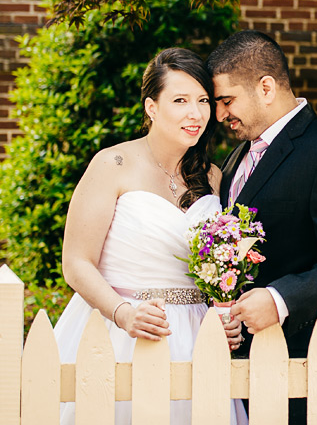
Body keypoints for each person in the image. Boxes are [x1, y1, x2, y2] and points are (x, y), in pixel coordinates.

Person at [53, 47, 247, 424]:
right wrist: (122, 313)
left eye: (203, 100)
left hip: (196, 338)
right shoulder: (113, 164)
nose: (196, 113)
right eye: (180, 100)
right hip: (124, 331)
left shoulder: (212, 177)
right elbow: (76, 263)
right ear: (151, 107)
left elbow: (216, 268)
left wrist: (226, 313)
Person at [207, 30, 317, 425]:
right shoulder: (237, 158)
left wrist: (280, 298)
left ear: (265, 87)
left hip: (312, 364)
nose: (219, 115)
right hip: (250, 368)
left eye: (227, 101)